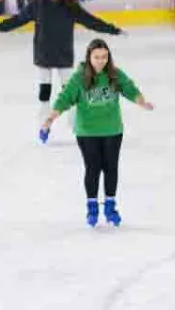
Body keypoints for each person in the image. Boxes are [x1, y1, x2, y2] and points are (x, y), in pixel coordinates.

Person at [41, 39, 154, 227]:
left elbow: (129, 87)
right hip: (88, 132)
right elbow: (64, 98)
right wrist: (50, 119)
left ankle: (110, 206)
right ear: (89, 57)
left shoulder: (114, 74)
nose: (101, 61)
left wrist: (140, 100)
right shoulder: (79, 78)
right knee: (93, 168)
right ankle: (92, 207)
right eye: (96, 57)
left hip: (112, 129)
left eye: (104, 57)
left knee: (111, 167)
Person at [0, 0, 121, 123]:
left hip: (63, 51)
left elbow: (90, 21)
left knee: (68, 87)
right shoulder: (38, 4)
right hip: (43, 51)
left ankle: (73, 116)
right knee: (45, 84)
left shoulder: (70, 6)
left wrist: (112, 29)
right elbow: (17, 20)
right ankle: (44, 113)